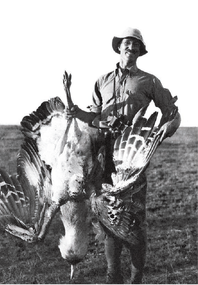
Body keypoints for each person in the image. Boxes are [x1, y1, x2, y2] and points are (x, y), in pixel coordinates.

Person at [67, 27, 181, 283]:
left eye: (136, 44)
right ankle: (112, 277)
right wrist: (77, 113)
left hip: (132, 161)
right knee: (108, 218)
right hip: (104, 158)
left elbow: (172, 113)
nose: (131, 47)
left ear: (140, 51)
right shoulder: (102, 81)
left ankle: (136, 278)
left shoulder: (149, 81)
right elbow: (95, 118)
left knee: (134, 220)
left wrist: (164, 130)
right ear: (119, 47)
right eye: (126, 43)